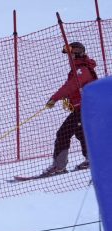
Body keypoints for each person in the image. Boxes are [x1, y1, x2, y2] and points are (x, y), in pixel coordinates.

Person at [42, 42, 98, 176]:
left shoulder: (81, 70)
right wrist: (59, 98)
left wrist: (54, 98)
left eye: (71, 54)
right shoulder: (78, 69)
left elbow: (70, 86)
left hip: (84, 109)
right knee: (81, 133)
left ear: (77, 53)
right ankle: (92, 160)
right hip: (82, 109)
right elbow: (70, 87)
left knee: (63, 133)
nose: (69, 57)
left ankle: (59, 166)